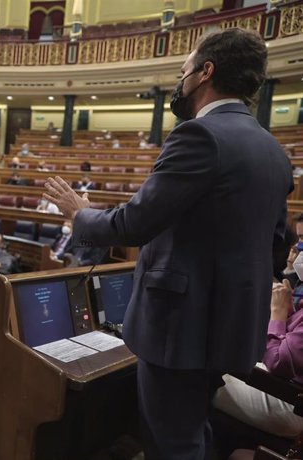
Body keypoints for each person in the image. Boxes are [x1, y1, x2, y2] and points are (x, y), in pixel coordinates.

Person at [43, 28, 292, 460]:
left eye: (184, 71)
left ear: (205, 73)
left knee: (171, 445)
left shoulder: (200, 136)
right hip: (231, 331)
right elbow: (274, 248)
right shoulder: (273, 151)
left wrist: (79, 214)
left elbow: (134, 224)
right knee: (196, 432)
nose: (180, 81)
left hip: (180, 331)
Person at [212, 226, 303, 454]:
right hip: (288, 392)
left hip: (288, 402)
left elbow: (278, 361)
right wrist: (287, 313)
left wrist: (279, 315)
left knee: (195, 378)